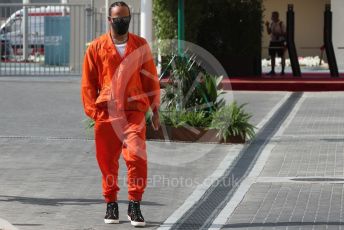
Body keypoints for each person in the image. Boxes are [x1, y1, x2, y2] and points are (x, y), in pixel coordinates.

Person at [81, 1, 160, 227]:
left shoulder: (140, 45)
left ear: (129, 18)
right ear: (110, 20)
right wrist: (94, 113)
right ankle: (111, 203)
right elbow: (88, 84)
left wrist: (155, 110)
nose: (121, 22)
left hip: (134, 112)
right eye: (117, 19)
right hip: (107, 113)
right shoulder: (96, 48)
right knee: (107, 162)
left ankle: (134, 204)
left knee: (136, 158)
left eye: (125, 18)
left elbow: (150, 79)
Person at [265, 11, 286, 76]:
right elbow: (269, 32)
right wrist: (267, 26)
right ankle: (272, 70)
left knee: (282, 56)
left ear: (277, 16)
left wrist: (278, 35)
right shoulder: (271, 23)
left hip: (280, 42)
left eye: (273, 16)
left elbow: (285, 33)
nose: (272, 17)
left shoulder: (281, 23)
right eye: (272, 16)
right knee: (272, 56)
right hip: (273, 42)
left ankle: (282, 71)